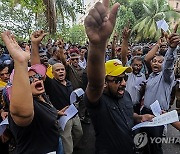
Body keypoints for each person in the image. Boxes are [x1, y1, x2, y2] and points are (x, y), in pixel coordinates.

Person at [83, 1, 153, 153]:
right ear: (105, 82)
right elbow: (95, 84)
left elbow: (128, 114)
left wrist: (140, 118)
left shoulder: (125, 95)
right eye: (117, 80)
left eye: (124, 78)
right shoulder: (97, 100)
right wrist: (98, 44)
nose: (123, 83)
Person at [1, 31, 67, 154]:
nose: (36, 79)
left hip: (55, 145)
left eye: (37, 76)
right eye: (29, 79)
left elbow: (36, 68)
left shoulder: (41, 96)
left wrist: (35, 45)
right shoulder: (25, 107)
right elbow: (22, 113)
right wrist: (20, 62)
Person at [140, 26, 180, 154]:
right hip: (145, 114)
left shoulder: (166, 77)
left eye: (159, 62)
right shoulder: (150, 76)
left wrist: (171, 48)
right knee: (143, 145)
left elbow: (168, 65)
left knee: (155, 147)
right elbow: (146, 59)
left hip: (158, 116)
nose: (156, 63)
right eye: (154, 61)